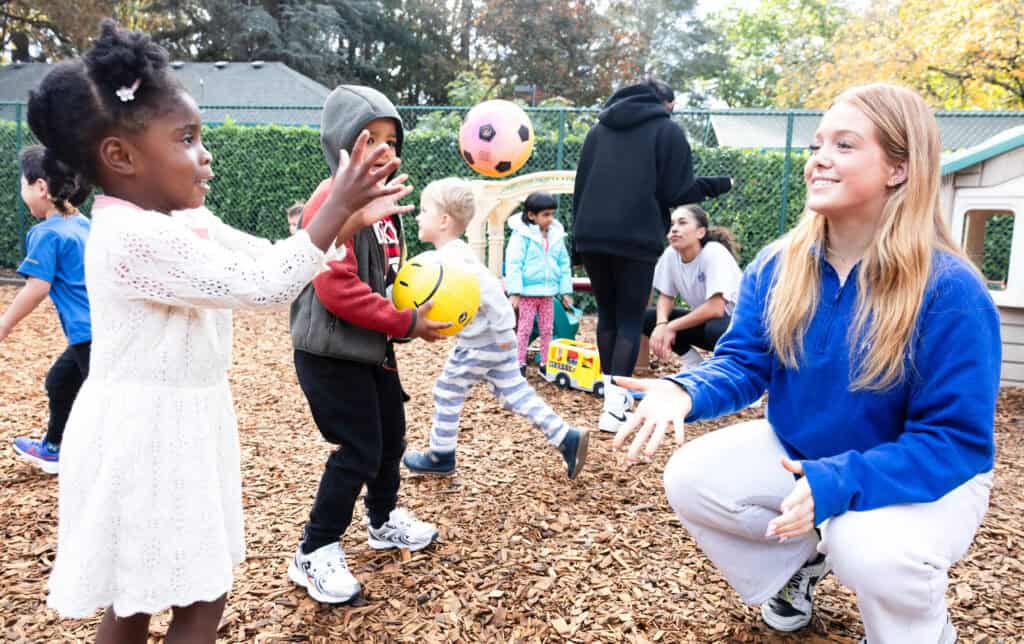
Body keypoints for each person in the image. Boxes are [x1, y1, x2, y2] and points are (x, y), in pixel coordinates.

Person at [30, 20, 414, 644]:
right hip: (147, 435)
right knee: (197, 597)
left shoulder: (180, 219)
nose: (204, 153)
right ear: (121, 157)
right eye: (186, 139)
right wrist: (336, 211)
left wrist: (337, 227)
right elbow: (262, 289)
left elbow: (264, 257)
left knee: (140, 599)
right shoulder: (136, 237)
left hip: (176, 422)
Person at [613, 83, 1000, 644]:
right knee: (693, 478)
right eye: (818, 144)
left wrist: (836, 482)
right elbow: (745, 364)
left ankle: (918, 629)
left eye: (844, 145)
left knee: (867, 549)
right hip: (809, 453)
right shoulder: (780, 263)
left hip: (926, 477)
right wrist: (685, 390)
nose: (818, 158)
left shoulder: (950, 289)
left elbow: (954, 442)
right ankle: (797, 568)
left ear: (898, 168)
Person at [288, 85, 447, 606]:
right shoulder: (329, 201)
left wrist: (419, 304)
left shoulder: (383, 202)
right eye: (368, 139)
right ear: (340, 144)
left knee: (391, 439)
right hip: (331, 352)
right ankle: (314, 550)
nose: (382, 149)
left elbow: (386, 275)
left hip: (371, 348)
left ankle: (382, 520)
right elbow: (336, 288)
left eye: (390, 139)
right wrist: (405, 322)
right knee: (357, 449)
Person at [571, 77, 733, 433]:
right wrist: (720, 184)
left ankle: (611, 399)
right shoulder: (666, 131)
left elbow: (580, 187)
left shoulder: (598, 131)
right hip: (635, 236)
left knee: (608, 317)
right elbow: (679, 190)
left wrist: (575, 248)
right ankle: (615, 407)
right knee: (630, 319)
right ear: (668, 103)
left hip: (591, 234)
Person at [402, 178, 589, 480]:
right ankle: (566, 437)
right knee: (515, 392)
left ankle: (441, 455)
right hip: (495, 340)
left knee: (447, 390)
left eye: (424, 211)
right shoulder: (455, 254)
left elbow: (489, 291)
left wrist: (504, 331)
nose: (418, 217)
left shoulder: (452, 259)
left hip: (482, 344)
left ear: (444, 221)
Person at [4, 146, 92, 474]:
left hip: (88, 334)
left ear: (41, 187)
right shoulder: (83, 224)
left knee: (107, 402)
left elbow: (36, 287)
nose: (22, 191)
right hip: (99, 330)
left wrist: (4, 324)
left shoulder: (45, 234)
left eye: (23, 184)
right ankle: (54, 448)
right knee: (60, 382)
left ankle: (113, 463)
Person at [635, 204, 742, 376]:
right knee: (647, 318)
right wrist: (662, 324)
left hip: (743, 330)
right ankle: (693, 364)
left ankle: (741, 375)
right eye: (672, 224)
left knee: (715, 328)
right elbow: (666, 296)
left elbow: (716, 308)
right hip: (711, 325)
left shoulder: (714, 253)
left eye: (682, 223)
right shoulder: (671, 254)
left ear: (700, 232)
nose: (675, 229)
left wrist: (671, 327)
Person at [505, 191, 573, 375]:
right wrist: (515, 292)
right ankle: (519, 362)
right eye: (546, 214)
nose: (550, 219)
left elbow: (564, 264)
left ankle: (546, 362)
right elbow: (514, 264)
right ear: (531, 215)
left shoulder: (556, 236)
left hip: (547, 293)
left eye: (552, 214)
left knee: (547, 329)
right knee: (524, 329)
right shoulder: (522, 236)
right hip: (527, 293)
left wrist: (565, 291)